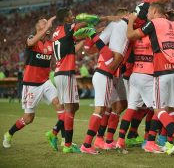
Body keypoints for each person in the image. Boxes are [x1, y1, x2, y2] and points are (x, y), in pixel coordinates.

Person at [126, 2, 174, 155]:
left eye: (148, 13)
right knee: (170, 107)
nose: (146, 16)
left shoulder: (154, 23)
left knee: (158, 108)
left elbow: (131, 36)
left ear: (153, 11)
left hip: (163, 71)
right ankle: (168, 143)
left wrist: (131, 20)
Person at [2, 17, 65, 151]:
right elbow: (31, 41)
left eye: (48, 22)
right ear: (38, 26)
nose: (48, 23)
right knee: (29, 118)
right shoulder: (31, 39)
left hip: (45, 82)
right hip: (31, 85)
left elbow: (64, 49)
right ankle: (9, 134)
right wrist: (47, 27)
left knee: (60, 105)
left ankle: (63, 139)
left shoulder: (50, 43)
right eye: (44, 22)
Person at [76, 9, 130, 154]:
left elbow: (88, 48)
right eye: (126, 14)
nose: (128, 16)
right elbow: (106, 58)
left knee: (118, 105)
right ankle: (88, 144)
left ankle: (105, 140)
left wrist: (96, 29)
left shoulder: (112, 31)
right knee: (101, 110)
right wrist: (92, 34)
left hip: (110, 74)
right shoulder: (118, 29)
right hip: (105, 74)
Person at [52, 8, 85, 153]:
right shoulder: (67, 28)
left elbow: (71, 49)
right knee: (70, 109)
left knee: (74, 106)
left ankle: (54, 132)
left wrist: (84, 40)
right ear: (66, 18)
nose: (73, 17)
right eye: (71, 15)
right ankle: (68, 145)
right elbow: (80, 25)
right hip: (66, 72)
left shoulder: (58, 32)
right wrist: (93, 20)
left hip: (60, 72)